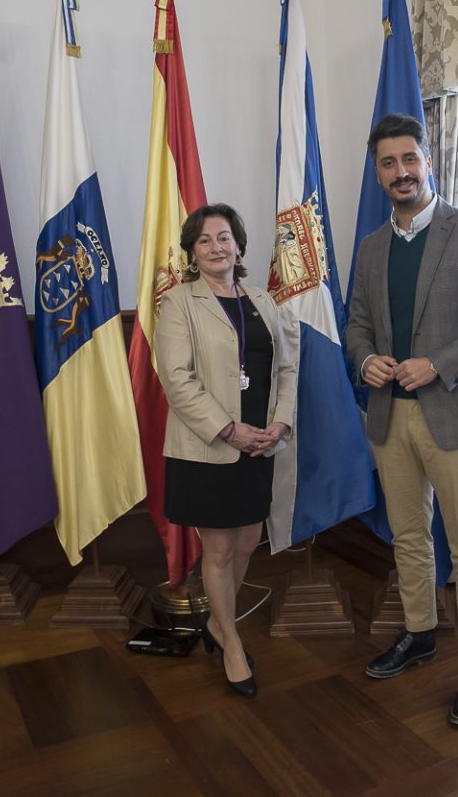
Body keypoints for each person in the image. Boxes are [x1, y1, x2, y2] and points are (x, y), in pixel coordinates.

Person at [346, 113, 458, 727]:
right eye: (389, 163)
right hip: (390, 420)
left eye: (409, 159)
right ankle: (419, 634)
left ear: (429, 161)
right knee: (409, 536)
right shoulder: (370, 248)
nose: (401, 172)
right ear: (378, 173)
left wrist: (436, 364)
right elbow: (357, 325)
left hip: (457, 418)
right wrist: (365, 359)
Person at [154, 203, 296, 699]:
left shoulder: (262, 299)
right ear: (193, 253)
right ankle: (231, 641)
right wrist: (228, 429)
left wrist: (279, 422)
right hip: (208, 448)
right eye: (205, 240)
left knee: (245, 544)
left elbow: (286, 370)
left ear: (239, 244)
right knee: (217, 548)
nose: (217, 246)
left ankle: (217, 624)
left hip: (262, 442)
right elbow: (176, 379)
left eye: (225, 237)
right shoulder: (178, 303)